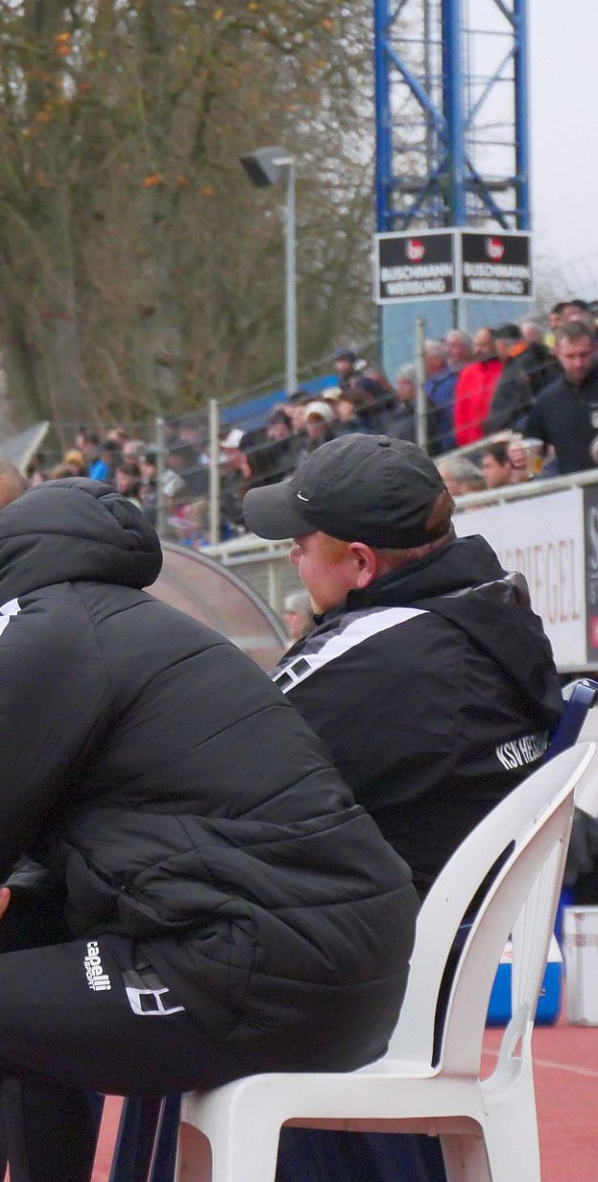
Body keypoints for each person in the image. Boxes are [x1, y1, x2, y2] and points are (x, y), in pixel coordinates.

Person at [0, 477, 416, 1182]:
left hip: (259, 967)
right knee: (13, 989)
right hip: (339, 968)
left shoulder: (36, 631)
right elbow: (102, 861)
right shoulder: (128, 619)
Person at [242, 437, 564, 1180]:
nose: (291, 554)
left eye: (302, 541)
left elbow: (224, 761)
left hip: (357, 981)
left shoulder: (381, 656)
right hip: (431, 965)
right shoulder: (492, 612)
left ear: (361, 564)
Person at [523, 323, 598, 475]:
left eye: (583, 355)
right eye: (570, 356)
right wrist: (531, 468)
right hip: (575, 486)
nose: (578, 363)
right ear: (557, 353)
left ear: (594, 349)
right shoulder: (547, 400)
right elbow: (534, 447)